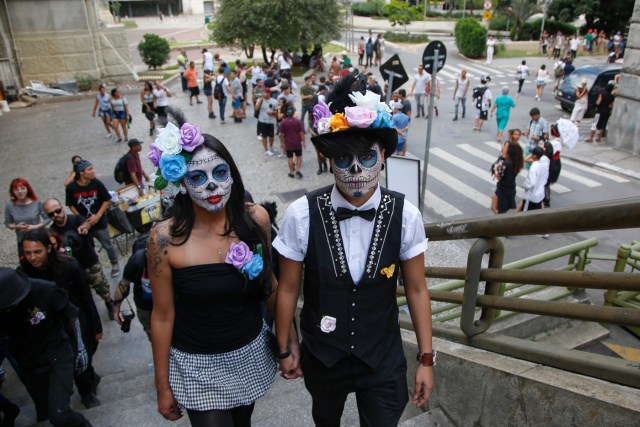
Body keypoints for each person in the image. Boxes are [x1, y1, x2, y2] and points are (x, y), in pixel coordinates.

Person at [274, 75, 434, 426]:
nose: (357, 169)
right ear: (328, 159)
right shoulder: (301, 215)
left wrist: (426, 359)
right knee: (325, 419)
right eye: (344, 158)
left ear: (384, 156)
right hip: (322, 354)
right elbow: (287, 287)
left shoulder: (405, 215)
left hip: (382, 357)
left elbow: (418, 289)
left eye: (366, 156)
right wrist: (285, 346)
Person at [147, 110, 285, 425]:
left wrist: (289, 340)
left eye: (220, 173)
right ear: (180, 182)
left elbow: (271, 285)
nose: (212, 186)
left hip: (248, 352)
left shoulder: (255, 219)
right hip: (196, 364)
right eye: (197, 177)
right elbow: (162, 315)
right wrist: (162, 384)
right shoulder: (163, 240)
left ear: (233, 175)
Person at [19, 228, 103, 409]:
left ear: (48, 249)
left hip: (75, 322)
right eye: (28, 253)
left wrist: (96, 326)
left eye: (37, 251)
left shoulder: (70, 266)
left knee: (82, 356)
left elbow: (86, 297)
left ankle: (87, 390)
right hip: (48, 327)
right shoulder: (24, 275)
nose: (33, 257)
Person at [0, 268, 93, 426]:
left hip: (57, 355)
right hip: (28, 363)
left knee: (59, 415)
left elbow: (71, 315)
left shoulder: (45, 290)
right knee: (48, 409)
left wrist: (80, 347)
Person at [44, 198, 116, 320]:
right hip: (71, 267)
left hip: (89, 262)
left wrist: (85, 226)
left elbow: (86, 223)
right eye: (51, 214)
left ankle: (109, 303)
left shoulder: (76, 219)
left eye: (57, 211)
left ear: (62, 208)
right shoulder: (52, 231)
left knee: (102, 287)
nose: (56, 215)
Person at [65, 160, 121, 277]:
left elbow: (107, 199)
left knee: (107, 244)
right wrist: (80, 219)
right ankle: (96, 268)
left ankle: (115, 264)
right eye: (89, 169)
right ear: (81, 172)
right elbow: (70, 204)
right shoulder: (71, 188)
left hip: (99, 222)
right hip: (84, 224)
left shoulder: (96, 183)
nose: (93, 172)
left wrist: (98, 215)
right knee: (88, 247)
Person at [113, 233, 152, 340]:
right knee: (152, 334)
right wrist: (116, 309)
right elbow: (123, 285)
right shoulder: (137, 261)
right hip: (145, 305)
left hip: (169, 304)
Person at [4, 178, 50, 257]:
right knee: (25, 263)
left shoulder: (37, 202)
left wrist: (34, 227)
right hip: (21, 240)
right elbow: (7, 223)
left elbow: (48, 219)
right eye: (16, 189)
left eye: (22, 188)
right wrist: (16, 226)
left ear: (27, 189)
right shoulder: (9, 205)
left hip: (38, 238)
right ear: (12, 192)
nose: (20, 191)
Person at [491, 135, 524, 214]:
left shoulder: (506, 163)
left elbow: (498, 177)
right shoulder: (515, 161)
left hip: (504, 191)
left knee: (499, 211)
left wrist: (496, 168)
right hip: (507, 189)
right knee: (495, 207)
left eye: (505, 147)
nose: (502, 148)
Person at [518, 146, 549, 214]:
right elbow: (545, 179)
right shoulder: (545, 164)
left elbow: (532, 183)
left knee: (525, 214)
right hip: (540, 195)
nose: (531, 154)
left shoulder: (534, 167)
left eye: (532, 153)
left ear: (535, 155)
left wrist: (524, 185)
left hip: (531, 196)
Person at [279, 105, 306, 178]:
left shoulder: (284, 122)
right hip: (297, 143)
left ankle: (291, 172)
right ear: (293, 112)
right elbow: (302, 133)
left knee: (290, 158)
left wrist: (281, 143)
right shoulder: (298, 122)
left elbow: (281, 134)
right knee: (299, 157)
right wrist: (304, 142)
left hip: (288, 143)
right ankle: (298, 170)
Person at [256, 87, 278, 155]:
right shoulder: (260, 100)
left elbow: (277, 111)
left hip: (270, 121)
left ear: (269, 93)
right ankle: (266, 149)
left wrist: (272, 113)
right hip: (262, 120)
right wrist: (260, 99)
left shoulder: (274, 101)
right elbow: (256, 109)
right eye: (263, 92)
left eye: (265, 92)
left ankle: (271, 146)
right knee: (264, 136)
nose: (264, 94)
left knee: (271, 136)